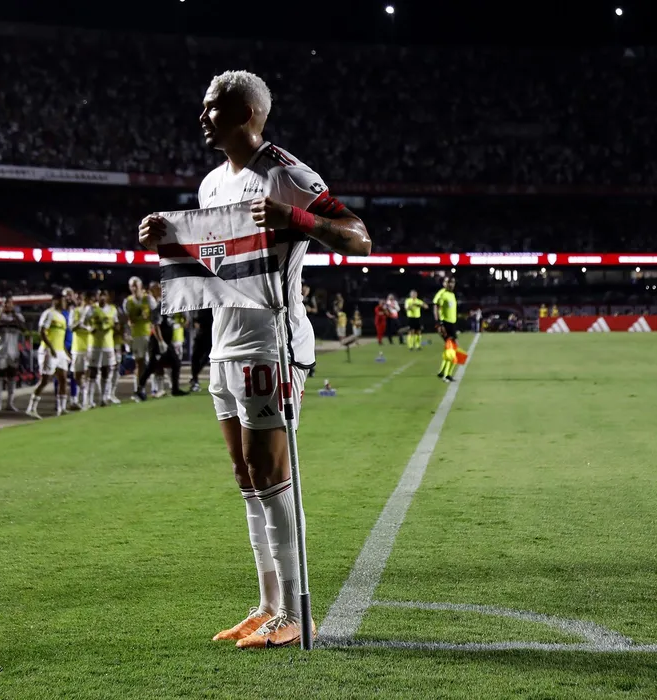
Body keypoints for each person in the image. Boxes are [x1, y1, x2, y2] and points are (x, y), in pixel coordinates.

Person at [138, 70, 371, 648]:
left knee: (272, 475)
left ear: (245, 114)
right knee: (246, 477)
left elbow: (359, 235)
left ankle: (295, 609)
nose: (202, 116)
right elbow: (217, 261)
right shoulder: (211, 183)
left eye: (212, 108)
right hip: (224, 343)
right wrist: (168, 236)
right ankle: (268, 603)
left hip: (272, 342)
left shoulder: (289, 174)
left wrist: (300, 220)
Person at [135, 282, 186, 400]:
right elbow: (155, 325)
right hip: (158, 342)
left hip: (167, 342)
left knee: (176, 363)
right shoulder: (158, 307)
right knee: (152, 366)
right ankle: (139, 388)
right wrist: (161, 341)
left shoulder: (169, 306)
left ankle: (175, 389)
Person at [26, 291, 71, 418]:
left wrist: (65, 353)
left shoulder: (62, 316)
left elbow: (60, 337)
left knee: (63, 379)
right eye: (63, 300)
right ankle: (31, 408)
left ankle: (61, 409)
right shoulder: (48, 314)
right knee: (45, 380)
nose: (65, 303)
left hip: (60, 351)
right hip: (48, 351)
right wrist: (51, 348)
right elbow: (42, 332)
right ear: (56, 300)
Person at [0, 295, 26, 412]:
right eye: (5, 303)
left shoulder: (18, 316)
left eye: (9, 303)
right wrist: (0, 315)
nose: (7, 305)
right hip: (0, 351)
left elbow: (23, 328)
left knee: (12, 377)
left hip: (13, 351)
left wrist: (14, 315)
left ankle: (10, 403)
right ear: (1, 304)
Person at [123, 276, 157, 400]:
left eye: (136, 285)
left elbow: (155, 317)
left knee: (152, 362)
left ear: (141, 286)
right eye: (132, 286)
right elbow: (128, 320)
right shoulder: (128, 301)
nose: (134, 288)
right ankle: (138, 389)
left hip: (149, 334)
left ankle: (154, 389)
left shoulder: (148, 299)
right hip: (136, 335)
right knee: (139, 363)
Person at [86, 289, 121, 408]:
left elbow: (117, 324)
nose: (102, 297)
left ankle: (104, 398)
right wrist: (90, 329)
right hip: (95, 344)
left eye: (104, 295)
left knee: (107, 370)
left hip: (108, 345)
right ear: (97, 296)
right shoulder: (91, 309)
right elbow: (83, 322)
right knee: (93, 371)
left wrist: (114, 328)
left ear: (107, 297)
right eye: (100, 295)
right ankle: (89, 400)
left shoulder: (112, 309)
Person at [433, 276, 466, 382]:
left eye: (453, 282)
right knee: (455, 349)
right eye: (448, 282)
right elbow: (436, 308)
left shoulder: (451, 294)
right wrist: (439, 324)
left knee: (450, 349)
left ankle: (442, 372)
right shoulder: (442, 294)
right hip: (445, 324)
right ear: (444, 283)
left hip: (452, 324)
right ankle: (447, 375)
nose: (451, 284)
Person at [70, 291, 94, 410]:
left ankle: (85, 400)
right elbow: (71, 327)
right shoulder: (75, 311)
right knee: (76, 374)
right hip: (77, 347)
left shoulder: (93, 311)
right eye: (86, 299)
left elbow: (95, 328)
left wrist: (87, 327)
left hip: (89, 346)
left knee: (87, 373)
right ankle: (77, 398)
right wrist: (80, 323)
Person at [189, 308, 213, 393]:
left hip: (211, 334)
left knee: (207, 357)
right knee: (196, 357)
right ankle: (194, 379)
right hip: (202, 333)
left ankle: (194, 378)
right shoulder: (201, 306)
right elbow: (196, 319)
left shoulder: (212, 306)